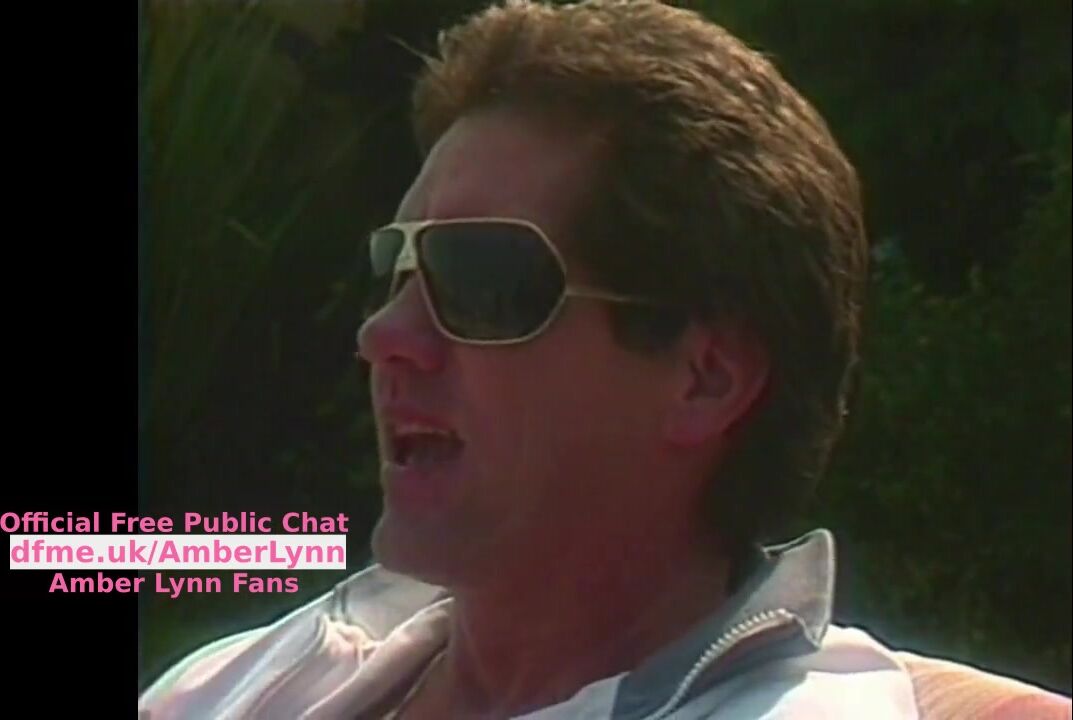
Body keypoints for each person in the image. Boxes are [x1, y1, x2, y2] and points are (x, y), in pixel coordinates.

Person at [138, 1, 1072, 718]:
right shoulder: (234, 685)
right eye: (397, 269)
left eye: (479, 279)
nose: (384, 334)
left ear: (705, 378)